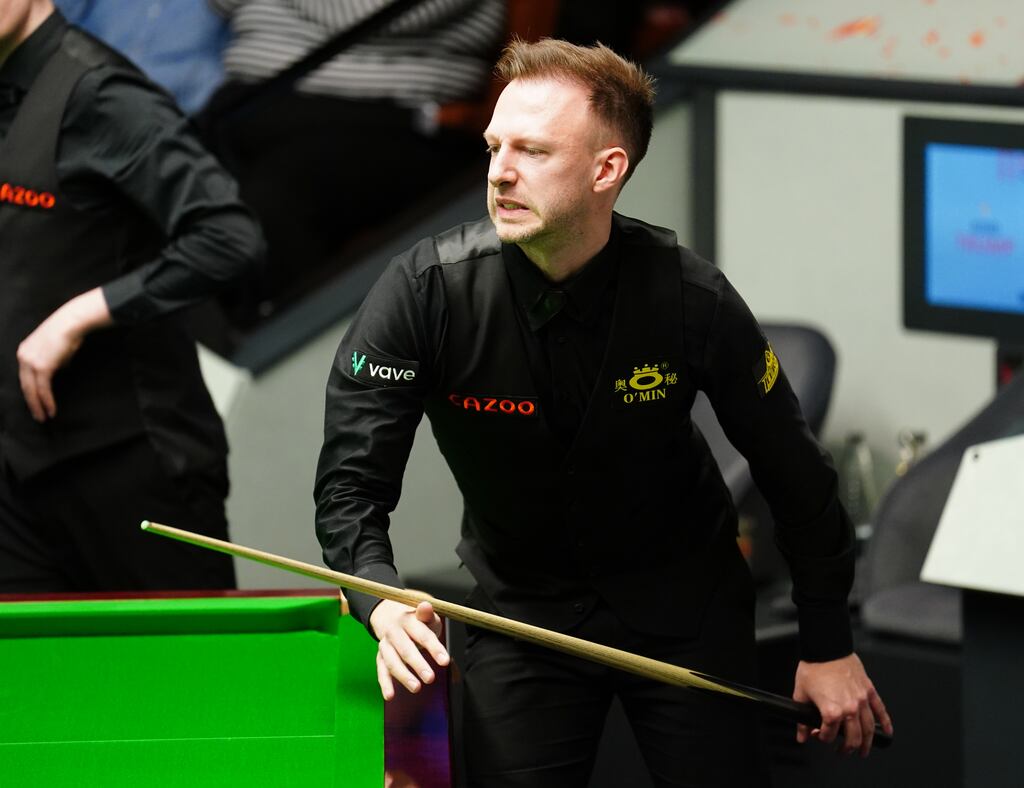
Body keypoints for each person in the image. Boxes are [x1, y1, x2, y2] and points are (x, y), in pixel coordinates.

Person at [314, 38, 892, 787]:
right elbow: (351, 486)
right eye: (494, 146)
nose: (500, 172)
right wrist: (377, 597)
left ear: (606, 169)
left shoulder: (691, 299)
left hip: (687, 610)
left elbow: (797, 476)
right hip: (519, 613)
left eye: (532, 150)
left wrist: (828, 644)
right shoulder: (424, 293)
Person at [0, 0, 264, 591]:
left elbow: (229, 236)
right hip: (19, 472)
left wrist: (78, 316)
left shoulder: (101, 93)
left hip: (133, 464)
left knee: (182, 654)